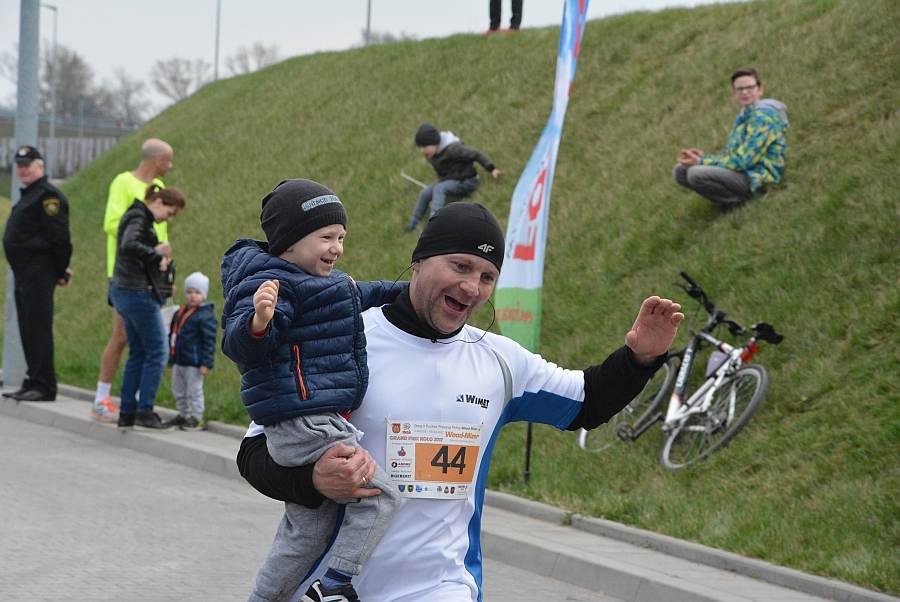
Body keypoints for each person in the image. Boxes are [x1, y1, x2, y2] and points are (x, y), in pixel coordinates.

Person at [236, 202, 684, 602]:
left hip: (441, 587)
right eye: (460, 266)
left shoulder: (500, 362)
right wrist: (313, 480)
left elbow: (586, 402)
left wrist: (640, 357)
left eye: (487, 276)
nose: (472, 286)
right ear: (418, 262)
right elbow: (253, 452)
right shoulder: (343, 336)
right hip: (328, 587)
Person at [220, 179, 404, 602]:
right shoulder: (273, 284)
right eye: (325, 237)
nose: (336, 247)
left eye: (341, 237)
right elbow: (239, 346)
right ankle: (337, 584)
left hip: (302, 419)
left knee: (306, 530)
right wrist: (258, 322)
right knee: (380, 497)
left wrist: (408, 293)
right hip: (306, 419)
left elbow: (365, 293)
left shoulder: (324, 283)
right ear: (288, 243)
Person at [93, 138, 175, 422]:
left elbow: (161, 232)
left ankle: (128, 406)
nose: (171, 166)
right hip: (126, 274)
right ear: (156, 160)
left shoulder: (160, 190)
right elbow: (112, 223)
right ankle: (102, 397)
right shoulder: (123, 183)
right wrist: (150, 249)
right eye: (168, 160)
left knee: (136, 341)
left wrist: (164, 267)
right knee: (123, 336)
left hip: (152, 275)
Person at [110, 184, 185, 430]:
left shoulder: (135, 214)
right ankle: (145, 411)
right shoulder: (139, 216)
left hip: (124, 290)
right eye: (170, 212)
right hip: (136, 292)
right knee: (158, 352)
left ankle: (127, 411)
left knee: (138, 353)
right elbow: (129, 245)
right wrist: (156, 253)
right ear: (160, 202)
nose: (168, 218)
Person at [1, 145, 73, 402]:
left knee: (38, 328)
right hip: (25, 272)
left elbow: (60, 239)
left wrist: (59, 270)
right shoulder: (30, 195)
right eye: (19, 165)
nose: (23, 170)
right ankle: (33, 379)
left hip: (38, 271)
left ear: (40, 166)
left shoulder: (47, 197)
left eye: (27, 165)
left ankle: (44, 385)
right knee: (28, 327)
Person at [673, 67, 788, 212]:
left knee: (696, 173)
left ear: (760, 90)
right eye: (740, 89)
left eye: (750, 88)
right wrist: (704, 158)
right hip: (744, 171)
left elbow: (744, 161)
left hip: (759, 177)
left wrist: (703, 162)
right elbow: (733, 155)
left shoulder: (763, 118)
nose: (745, 92)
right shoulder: (745, 115)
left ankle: (736, 202)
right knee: (680, 171)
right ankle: (729, 198)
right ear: (734, 94)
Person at [404, 122, 501, 232]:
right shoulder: (431, 153)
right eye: (420, 147)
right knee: (425, 192)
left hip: (467, 180)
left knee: (439, 189)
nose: (422, 151)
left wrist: (492, 169)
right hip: (450, 179)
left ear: (435, 143)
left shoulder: (454, 149)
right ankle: (413, 221)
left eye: (425, 147)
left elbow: (475, 154)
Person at [165, 271, 216, 431]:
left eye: (197, 292)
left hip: (194, 362)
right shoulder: (179, 313)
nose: (192, 296)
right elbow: (172, 335)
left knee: (194, 391)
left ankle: (197, 417)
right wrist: (170, 357)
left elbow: (209, 341)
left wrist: (206, 363)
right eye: (189, 292)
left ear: (204, 295)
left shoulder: (205, 316)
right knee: (178, 390)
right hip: (179, 359)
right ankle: (183, 414)